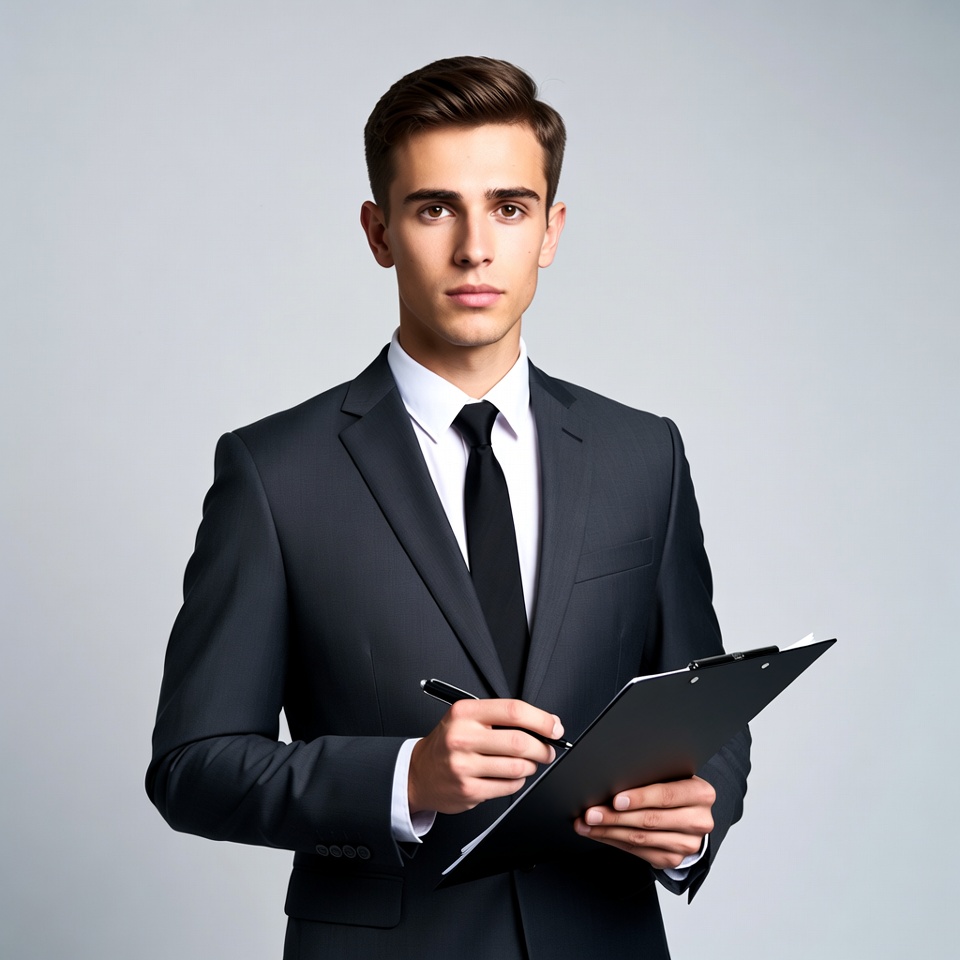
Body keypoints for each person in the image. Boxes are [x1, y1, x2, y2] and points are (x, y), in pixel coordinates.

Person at [147, 56, 750, 959]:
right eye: (436, 208)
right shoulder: (273, 473)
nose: (475, 248)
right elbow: (191, 767)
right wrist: (405, 778)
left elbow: (707, 709)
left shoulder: (643, 454)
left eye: (509, 208)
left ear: (550, 229)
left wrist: (693, 819)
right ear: (379, 230)